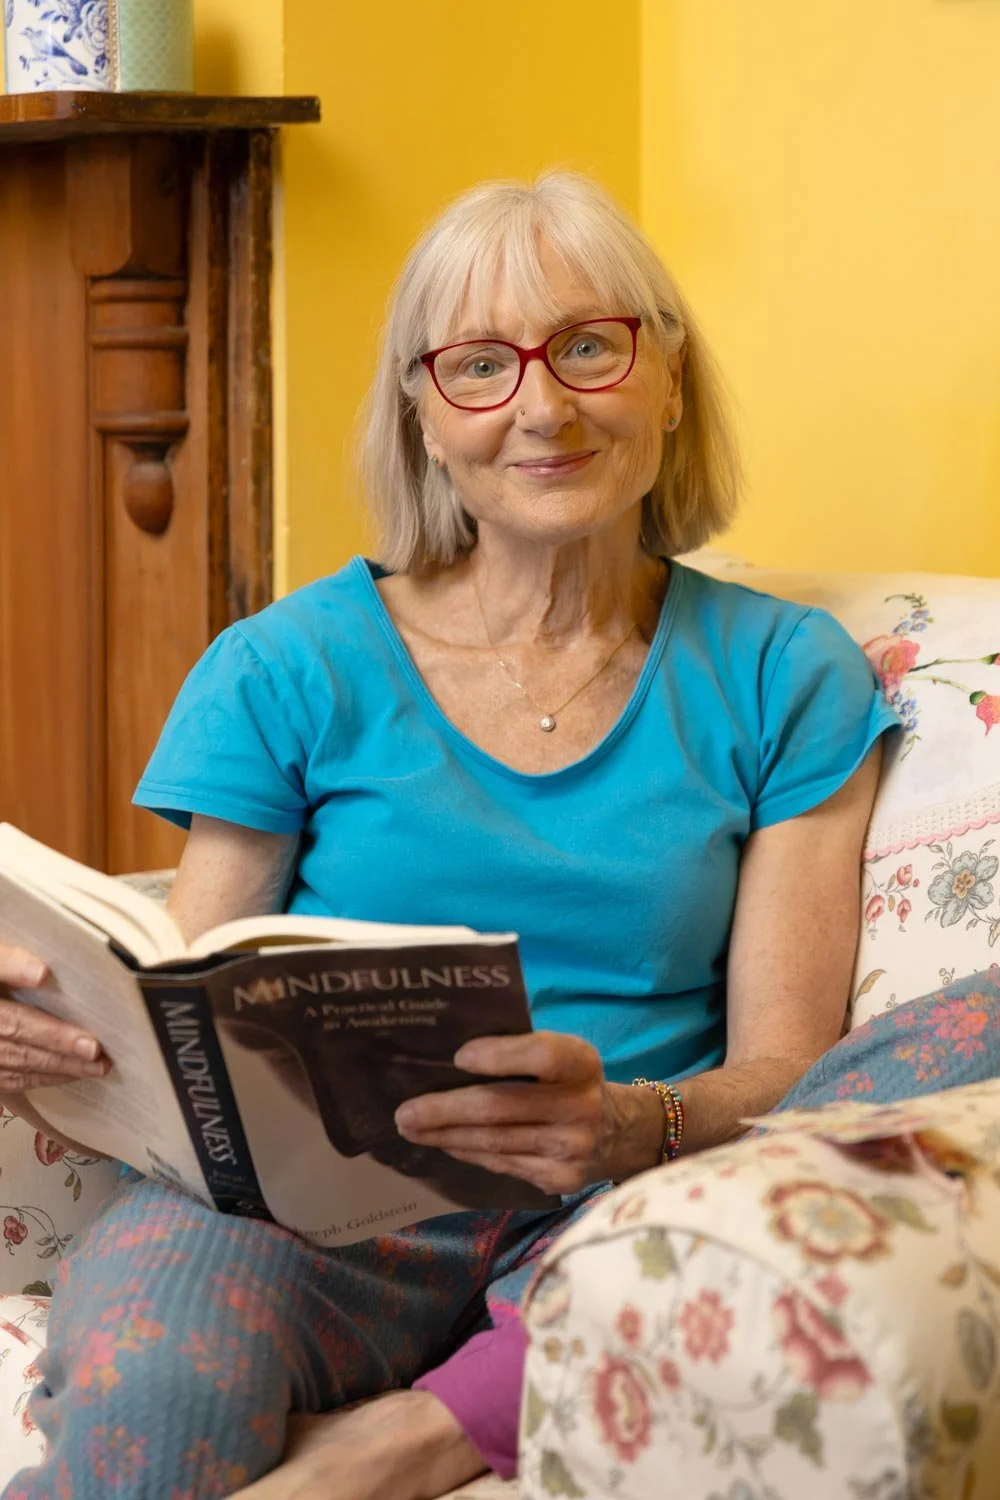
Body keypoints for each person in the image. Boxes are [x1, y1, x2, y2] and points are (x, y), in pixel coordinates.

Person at [0, 171, 900, 1500]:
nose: (542, 405)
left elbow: (790, 1068)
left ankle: (408, 1434)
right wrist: (56, 1039)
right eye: (480, 365)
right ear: (423, 413)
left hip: (625, 1200)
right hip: (311, 1214)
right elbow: (176, 1003)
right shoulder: (285, 667)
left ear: (667, 375)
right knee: (152, 1383)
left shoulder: (784, 672)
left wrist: (632, 1126)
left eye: (591, 345)